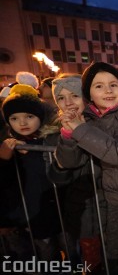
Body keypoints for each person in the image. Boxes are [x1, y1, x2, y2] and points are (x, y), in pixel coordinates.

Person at [54, 62, 118, 275]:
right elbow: (70, 162)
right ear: (89, 94)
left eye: (114, 84)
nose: (108, 91)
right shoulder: (89, 119)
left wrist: (80, 129)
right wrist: (69, 134)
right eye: (99, 86)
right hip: (104, 196)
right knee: (111, 240)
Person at [41, 74, 106, 272]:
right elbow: (56, 177)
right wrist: (68, 140)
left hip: (109, 207)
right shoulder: (53, 134)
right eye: (61, 98)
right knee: (90, 261)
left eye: (74, 96)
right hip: (80, 212)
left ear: (86, 97)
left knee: (116, 258)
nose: (68, 102)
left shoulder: (104, 126)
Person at [0, 84, 62, 262]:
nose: (22, 123)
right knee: (45, 251)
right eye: (14, 118)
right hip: (31, 212)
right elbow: (5, 181)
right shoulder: (9, 144)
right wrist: (4, 159)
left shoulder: (49, 139)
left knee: (66, 247)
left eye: (29, 116)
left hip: (57, 207)